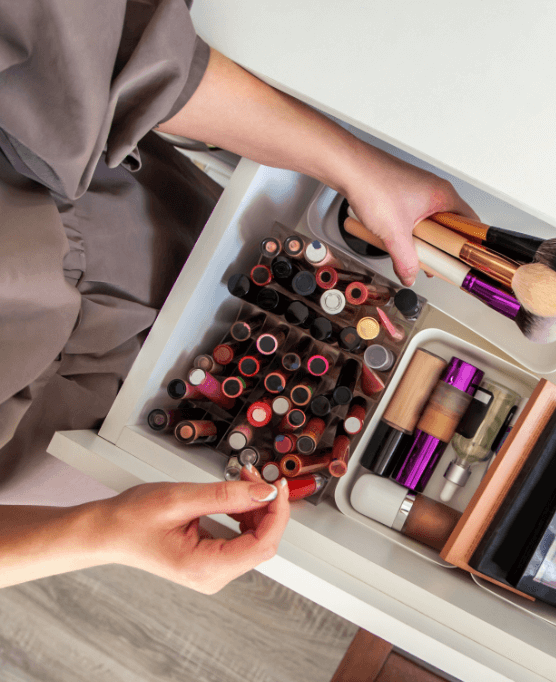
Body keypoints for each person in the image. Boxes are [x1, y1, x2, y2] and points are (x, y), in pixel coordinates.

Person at [0, 0, 476, 593]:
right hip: (62, 435)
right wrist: (105, 532)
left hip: (123, 213)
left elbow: (93, 50)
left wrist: (354, 164)